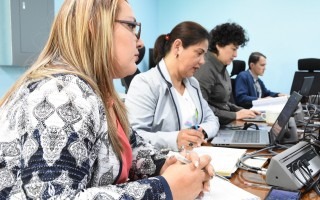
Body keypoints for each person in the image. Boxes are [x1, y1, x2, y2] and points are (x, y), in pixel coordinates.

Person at [0, 0, 214, 199]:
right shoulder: (62, 93)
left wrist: (172, 165)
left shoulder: (99, 94)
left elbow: (133, 149)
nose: (140, 42)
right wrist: (164, 188)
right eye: (132, 27)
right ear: (95, 26)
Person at [125, 21, 220, 151]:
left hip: (194, 156)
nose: (203, 61)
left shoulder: (193, 84)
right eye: (199, 53)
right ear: (178, 47)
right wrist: (175, 139)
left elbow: (212, 119)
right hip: (163, 166)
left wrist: (201, 132)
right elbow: (133, 136)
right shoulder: (146, 83)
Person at [194, 22, 260, 125]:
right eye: (233, 49)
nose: (236, 55)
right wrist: (235, 115)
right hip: (210, 128)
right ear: (219, 45)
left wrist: (240, 110)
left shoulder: (222, 66)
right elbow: (201, 108)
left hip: (221, 124)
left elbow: (222, 104)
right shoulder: (205, 68)